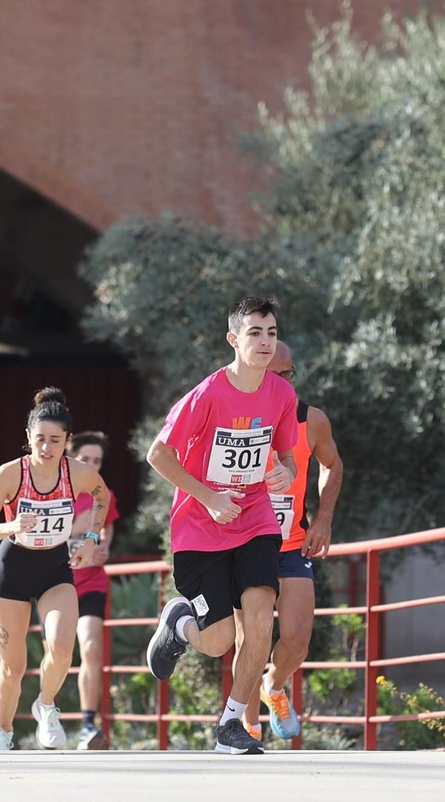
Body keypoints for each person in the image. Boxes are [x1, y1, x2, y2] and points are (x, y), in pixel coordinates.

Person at [142, 297, 299, 754]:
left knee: (259, 619)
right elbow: (158, 455)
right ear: (234, 339)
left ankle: (232, 724)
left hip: (255, 519)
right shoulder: (208, 394)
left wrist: (283, 473)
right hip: (200, 526)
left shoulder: (282, 395)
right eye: (255, 333)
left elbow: (287, 458)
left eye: (271, 332)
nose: (265, 342)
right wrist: (208, 497)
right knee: (217, 642)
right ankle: (179, 625)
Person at [0, 388, 109, 751]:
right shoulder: (9, 474)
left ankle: (46, 705)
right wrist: (12, 526)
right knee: (13, 667)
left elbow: (102, 496)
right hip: (12, 568)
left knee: (63, 646)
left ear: (67, 441)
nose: (46, 448)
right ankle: (3, 732)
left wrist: (92, 538)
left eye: (55, 440)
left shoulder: (76, 473)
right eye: (40, 440)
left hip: (54, 567)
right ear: (28, 438)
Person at [240, 342, 344, 744]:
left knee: (298, 640)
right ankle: (245, 725)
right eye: (273, 374)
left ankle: (274, 686)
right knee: (249, 636)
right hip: (245, 544)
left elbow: (333, 465)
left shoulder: (311, 420)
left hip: (291, 543)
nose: (284, 382)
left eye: (289, 374)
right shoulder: (237, 416)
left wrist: (323, 518)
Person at [66, 431, 120, 750]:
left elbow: (108, 525)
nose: (91, 465)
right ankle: (50, 715)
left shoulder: (104, 493)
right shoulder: (54, 492)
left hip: (91, 583)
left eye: (97, 461)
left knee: (90, 645)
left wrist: (102, 546)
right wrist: (74, 537)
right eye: (85, 459)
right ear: (71, 458)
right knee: (56, 652)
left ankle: (89, 724)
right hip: (55, 584)